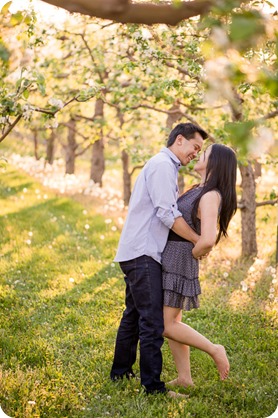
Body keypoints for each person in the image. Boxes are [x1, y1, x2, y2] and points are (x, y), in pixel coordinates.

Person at [110, 123, 208, 395]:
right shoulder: (163, 166)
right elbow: (167, 214)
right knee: (152, 322)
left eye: (199, 150)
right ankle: (153, 387)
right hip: (143, 253)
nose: (195, 153)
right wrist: (196, 240)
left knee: (133, 315)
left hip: (137, 251)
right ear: (179, 140)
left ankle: (120, 373)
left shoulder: (165, 166)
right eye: (194, 147)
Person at [162, 143, 237, 388]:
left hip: (179, 258)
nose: (197, 155)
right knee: (174, 320)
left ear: (215, 163)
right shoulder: (200, 188)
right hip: (174, 255)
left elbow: (207, 239)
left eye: (203, 153)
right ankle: (185, 378)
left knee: (166, 324)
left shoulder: (210, 195)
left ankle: (214, 349)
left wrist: (191, 253)